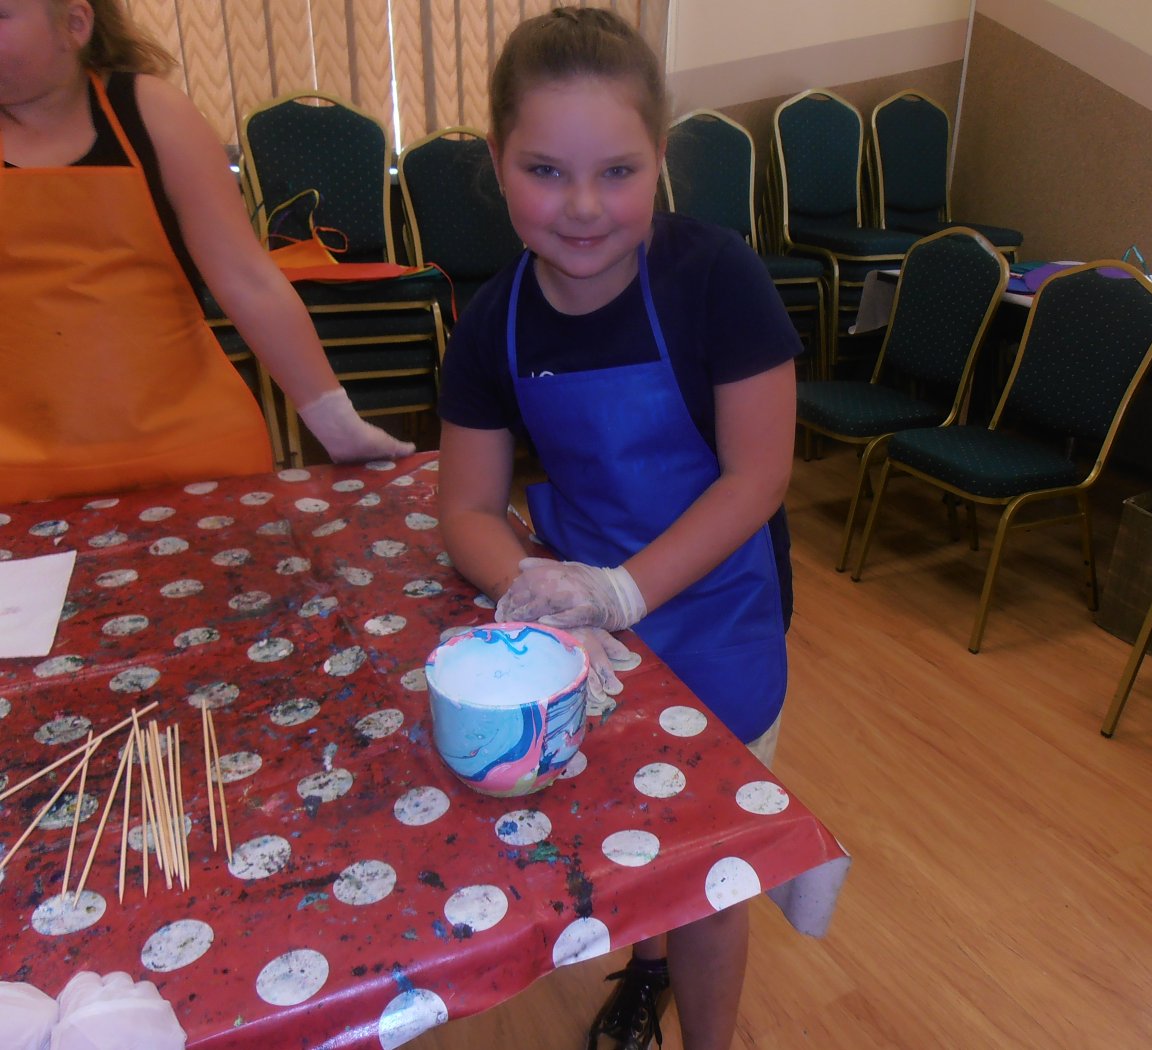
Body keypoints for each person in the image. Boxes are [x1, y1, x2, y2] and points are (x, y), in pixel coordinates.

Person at [436, 9, 800, 1049]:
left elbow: (758, 475)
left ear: (661, 159)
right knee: (629, 840)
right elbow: (466, 507)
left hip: (718, 619)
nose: (585, 207)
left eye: (618, 172)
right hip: (587, 641)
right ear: (497, 161)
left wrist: (622, 592)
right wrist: (538, 594)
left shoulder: (715, 278)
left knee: (711, 871)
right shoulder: (493, 321)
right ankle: (646, 971)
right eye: (546, 171)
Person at [0, 0, 412, 505]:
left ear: (75, 23)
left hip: (193, 452)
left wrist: (338, 424)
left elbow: (247, 279)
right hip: (21, 471)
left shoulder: (151, 112)